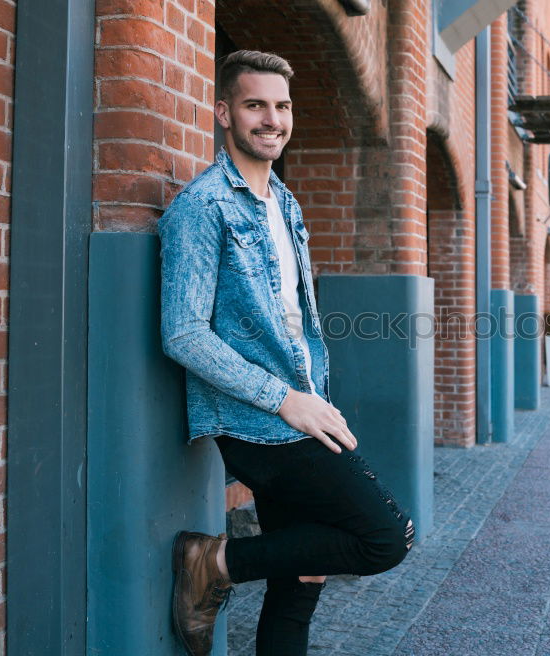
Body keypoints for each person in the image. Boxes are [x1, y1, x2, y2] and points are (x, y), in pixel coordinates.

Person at [158, 50, 415, 656]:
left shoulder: (286, 203)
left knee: (298, 586)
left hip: (302, 405)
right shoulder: (202, 207)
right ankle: (212, 559)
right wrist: (288, 401)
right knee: (386, 538)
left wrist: (311, 397)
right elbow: (183, 334)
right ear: (224, 113)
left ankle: (224, 566)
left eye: (281, 106)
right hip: (259, 421)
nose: (271, 119)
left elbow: (295, 323)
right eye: (254, 105)